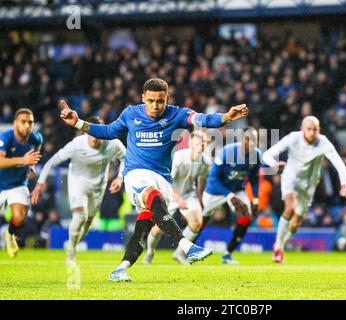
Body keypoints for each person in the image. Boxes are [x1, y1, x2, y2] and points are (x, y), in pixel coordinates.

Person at [59, 78, 248, 281]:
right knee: (152, 196)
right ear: (143, 98)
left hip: (163, 178)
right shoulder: (131, 114)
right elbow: (108, 131)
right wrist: (78, 123)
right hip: (135, 174)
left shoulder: (177, 114)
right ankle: (188, 247)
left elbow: (202, 119)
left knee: (144, 227)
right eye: (150, 101)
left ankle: (120, 269)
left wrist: (227, 117)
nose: (155, 106)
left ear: (167, 98)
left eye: (160, 101)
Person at [31, 116, 125, 264]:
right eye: (90, 133)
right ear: (84, 132)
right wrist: (40, 183)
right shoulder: (76, 145)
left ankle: (73, 243)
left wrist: (120, 177)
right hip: (77, 182)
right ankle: (71, 251)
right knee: (80, 216)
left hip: (98, 186)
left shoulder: (113, 144)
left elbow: (127, 159)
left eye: (97, 133)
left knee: (88, 222)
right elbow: (51, 162)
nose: (94, 137)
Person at [262, 116, 346, 263]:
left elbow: (339, 163)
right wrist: (273, 164)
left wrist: (344, 185)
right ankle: (278, 246)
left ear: (319, 130)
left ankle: (282, 245)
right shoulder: (293, 138)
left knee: (296, 222)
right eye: (309, 129)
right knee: (290, 208)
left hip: (309, 184)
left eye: (315, 129)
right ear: (302, 129)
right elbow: (267, 154)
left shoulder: (323, 142)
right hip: (290, 177)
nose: (312, 133)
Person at [143, 130, 210, 265]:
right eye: (198, 143)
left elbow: (201, 183)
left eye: (204, 144)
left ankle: (179, 253)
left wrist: (201, 202)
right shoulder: (179, 157)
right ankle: (150, 251)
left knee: (196, 223)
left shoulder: (206, 162)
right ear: (190, 143)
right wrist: (178, 200)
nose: (201, 146)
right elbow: (167, 182)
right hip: (170, 193)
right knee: (158, 229)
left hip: (189, 195)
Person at [200, 128, 263, 264]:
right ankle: (183, 250)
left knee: (246, 215)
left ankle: (227, 254)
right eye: (247, 139)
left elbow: (254, 179)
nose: (251, 143)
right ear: (241, 139)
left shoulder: (257, 155)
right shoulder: (226, 152)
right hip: (216, 190)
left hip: (237, 190)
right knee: (199, 221)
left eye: (254, 140)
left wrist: (256, 200)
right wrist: (229, 196)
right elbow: (213, 179)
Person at [0, 108, 42, 258]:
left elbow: (36, 152)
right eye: (23, 122)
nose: (27, 126)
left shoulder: (36, 138)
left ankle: (10, 234)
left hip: (18, 184)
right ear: (15, 123)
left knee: (20, 217)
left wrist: (31, 166)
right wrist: (23, 161)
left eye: (30, 122)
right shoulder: (5, 137)